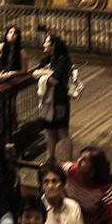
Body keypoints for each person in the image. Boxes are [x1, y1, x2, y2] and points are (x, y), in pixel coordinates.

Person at [33, 32, 72, 160]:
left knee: (62, 131)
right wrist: (48, 72)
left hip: (59, 101)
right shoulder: (47, 59)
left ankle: (69, 161)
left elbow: (53, 80)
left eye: (47, 42)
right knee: (49, 131)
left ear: (53, 45)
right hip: (47, 101)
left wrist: (43, 73)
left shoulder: (63, 60)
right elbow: (34, 74)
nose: (44, 44)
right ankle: (50, 158)